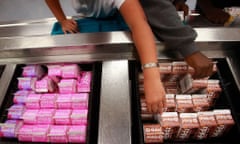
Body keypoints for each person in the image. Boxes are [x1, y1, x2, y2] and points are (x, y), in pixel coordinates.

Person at [45, 0, 213, 114]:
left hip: (120, 11)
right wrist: (62, 20)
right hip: (92, 17)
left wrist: (151, 76)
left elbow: (139, 24)